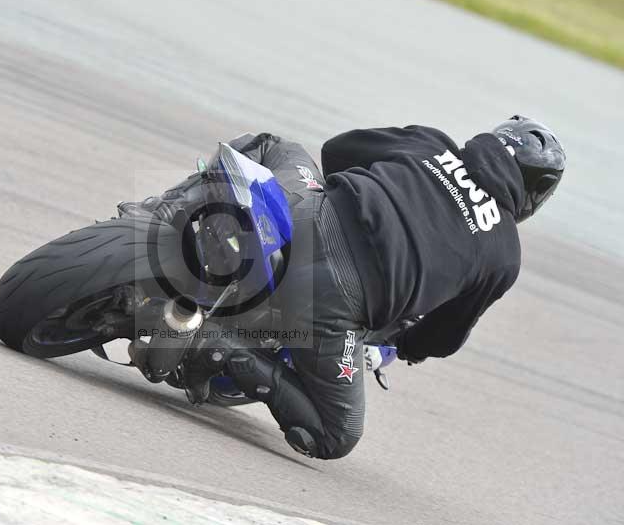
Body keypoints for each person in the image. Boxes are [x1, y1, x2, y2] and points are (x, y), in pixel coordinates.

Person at [184, 116, 566, 460]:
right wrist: (407, 346)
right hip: (331, 303)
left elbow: (337, 150)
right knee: (337, 435)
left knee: (271, 146)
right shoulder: (503, 253)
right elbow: (443, 336)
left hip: (306, 212)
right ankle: (219, 347)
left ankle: (170, 211)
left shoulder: (431, 143)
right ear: (538, 190)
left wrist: (370, 188)